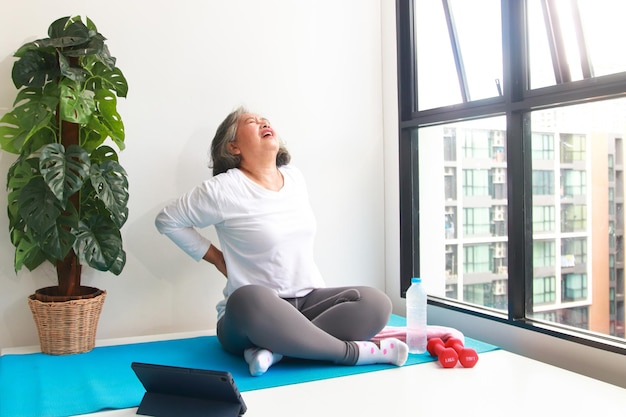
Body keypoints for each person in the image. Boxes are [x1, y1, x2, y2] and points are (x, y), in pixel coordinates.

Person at [155, 106, 408, 376]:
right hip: (252, 316)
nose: (264, 123)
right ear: (233, 147)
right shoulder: (223, 189)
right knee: (247, 297)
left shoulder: (295, 178)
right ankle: (352, 353)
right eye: (252, 122)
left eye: (265, 120)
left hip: (307, 303)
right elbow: (167, 220)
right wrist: (218, 260)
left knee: (376, 303)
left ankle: (276, 351)